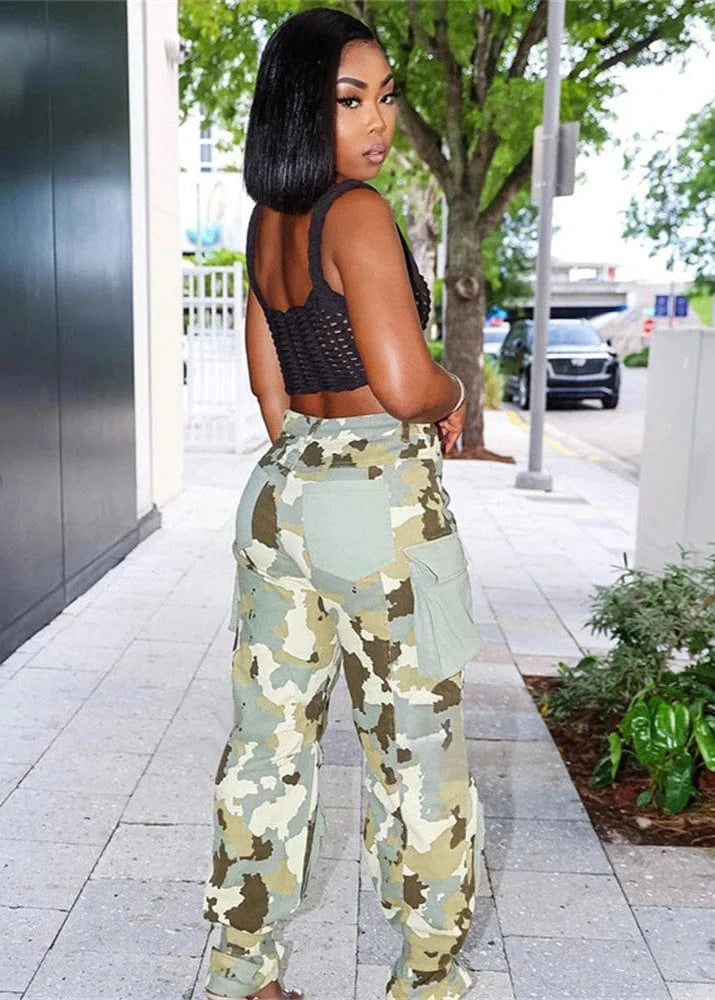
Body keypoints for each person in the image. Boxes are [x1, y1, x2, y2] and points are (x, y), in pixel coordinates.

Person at [202, 8, 485, 1000]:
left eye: (385, 95)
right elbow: (408, 385)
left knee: (266, 748)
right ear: (298, 110)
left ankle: (244, 976)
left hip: (280, 499)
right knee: (417, 755)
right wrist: (452, 397)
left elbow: (270, 393)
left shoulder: (266, 224)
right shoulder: (355, 213)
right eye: (348, 99)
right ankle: (428, 982)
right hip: (377, 498)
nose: (378, 120)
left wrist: (326, 464)